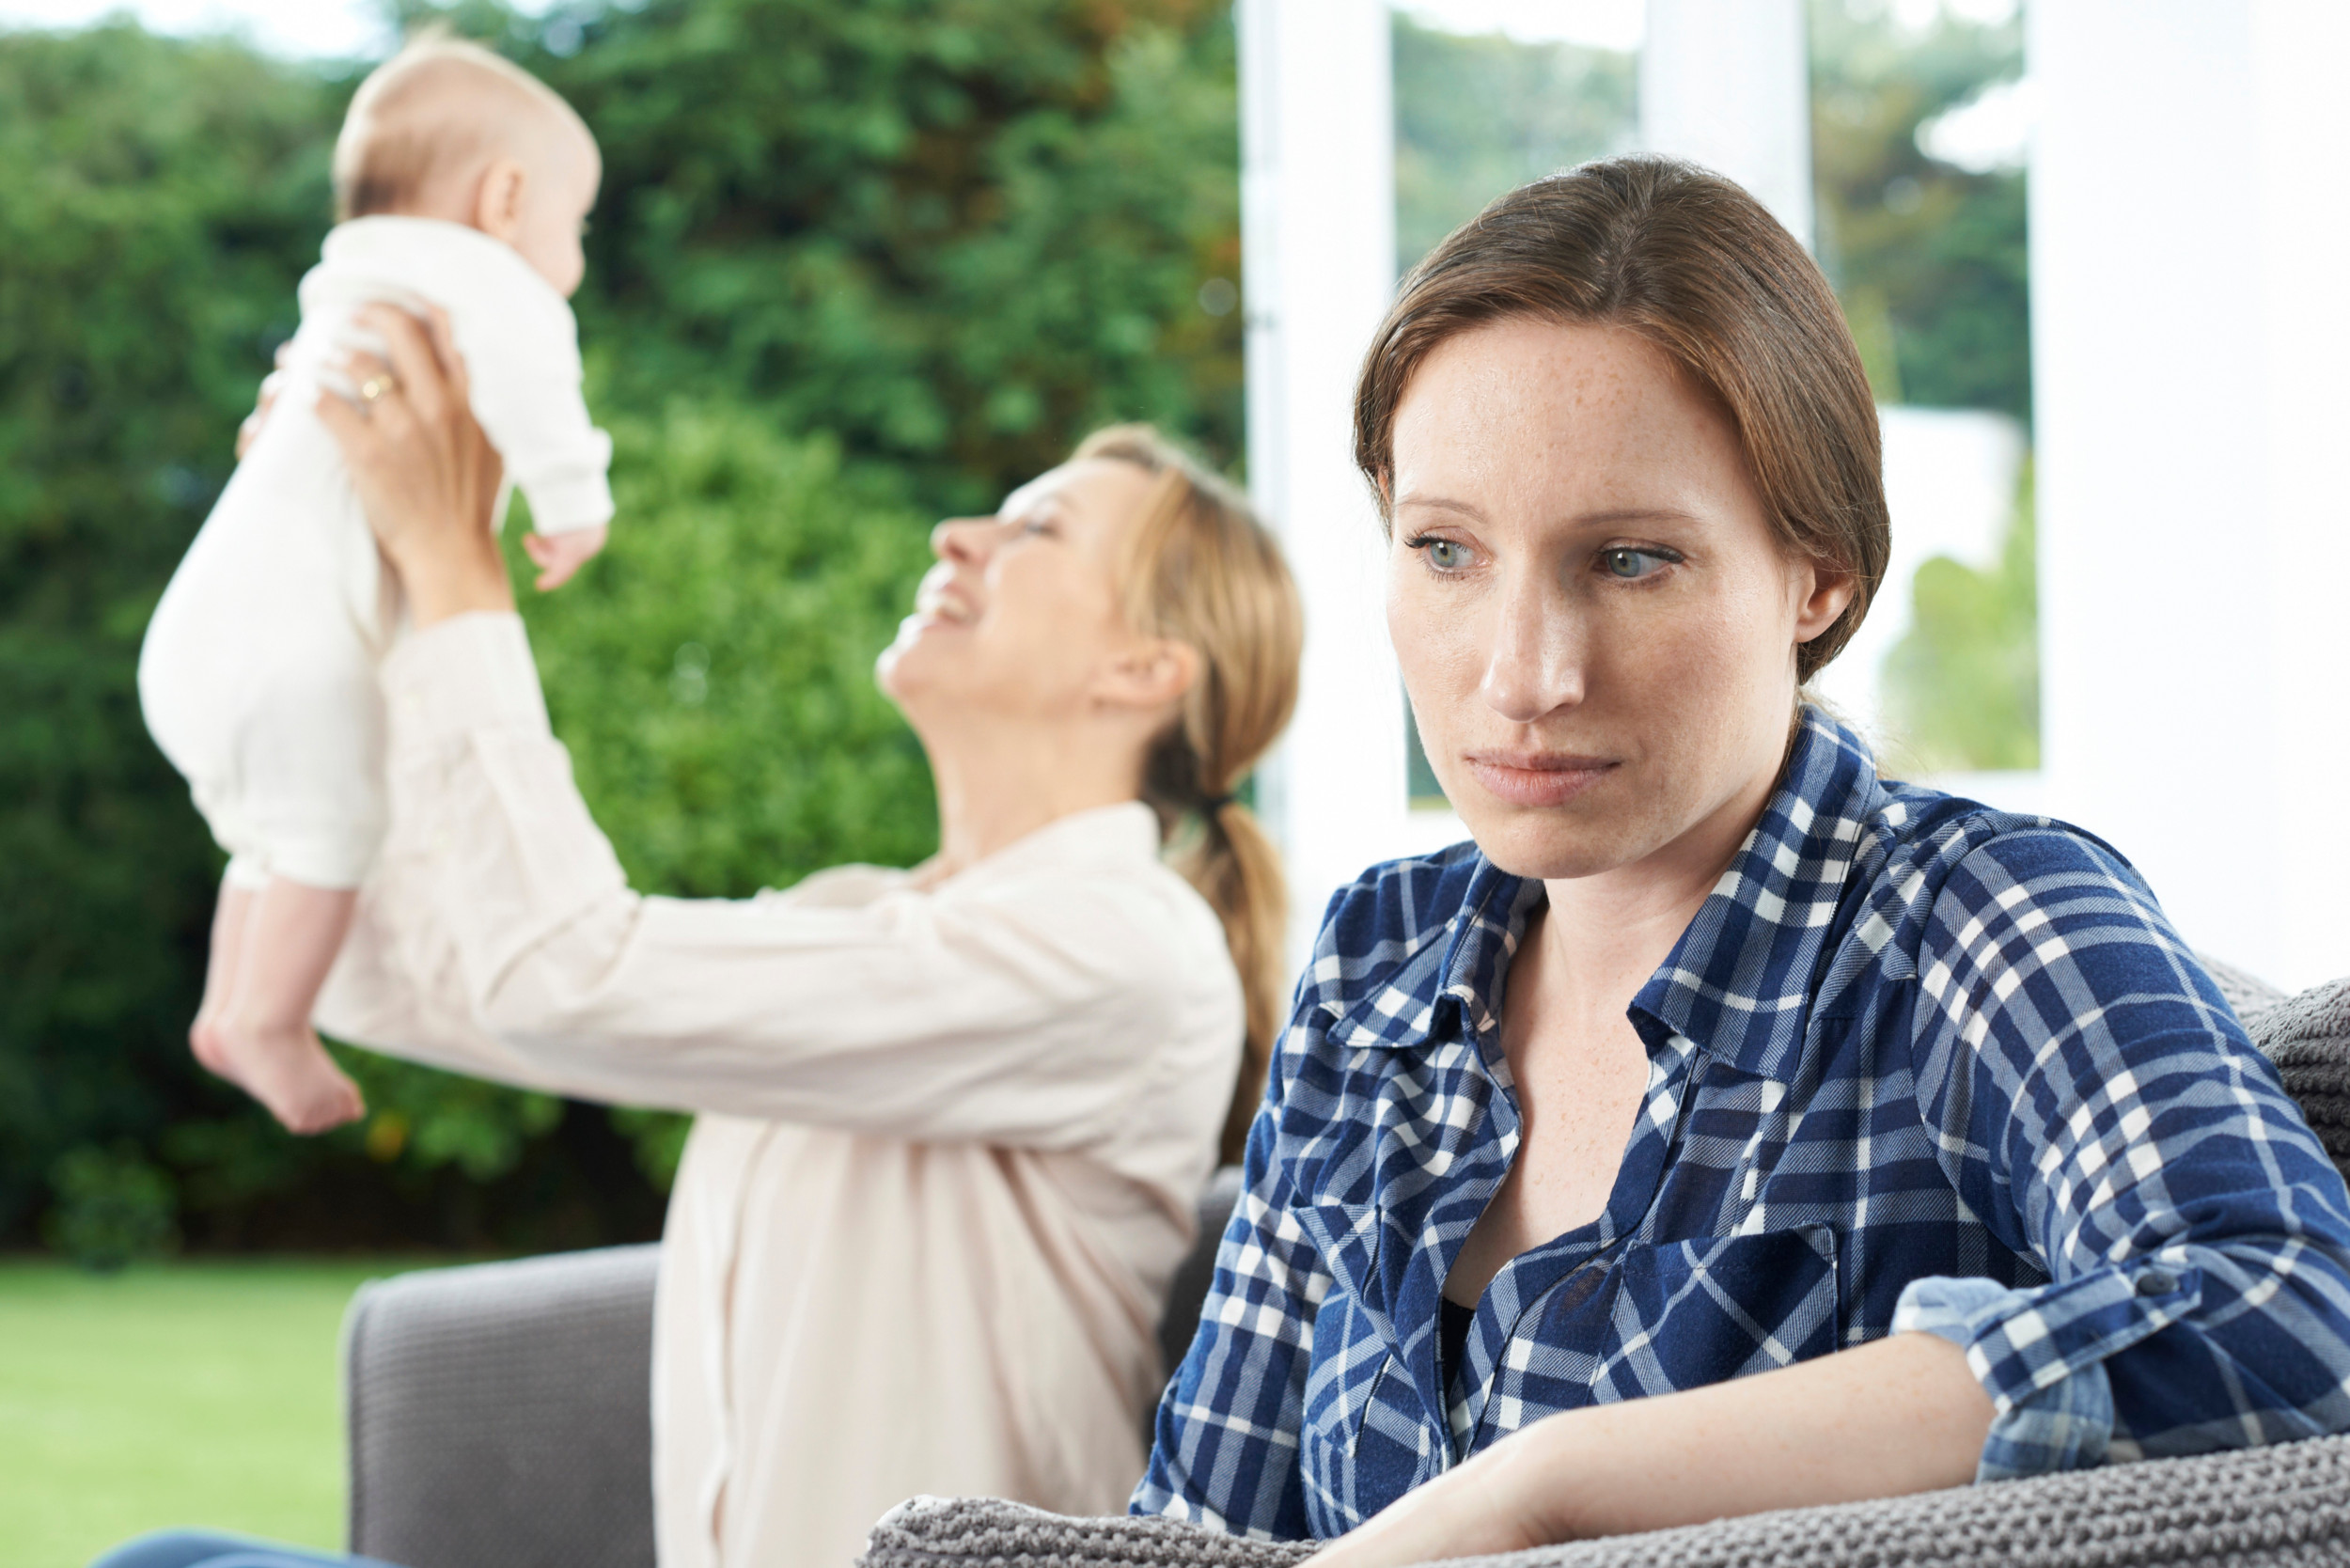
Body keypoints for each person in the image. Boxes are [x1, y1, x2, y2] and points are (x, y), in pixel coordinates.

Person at [1134, 156, 2350, 1563]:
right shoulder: (1376, 969)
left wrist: (1557, 1483)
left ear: (1817, 576)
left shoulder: (1975, 918)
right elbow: (1194, 1531)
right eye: (1448, 552)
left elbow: (2293, 1314)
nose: (1524, 676)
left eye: (1632, 560)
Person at [101, 308, 1300, 1568]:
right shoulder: (849, 913)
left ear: (1147, 671)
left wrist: (456, 566)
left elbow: (561, 974)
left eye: (1037, 526)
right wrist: (315, 580)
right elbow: (392, 972)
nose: (958, 534)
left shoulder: (1125, 953)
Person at [137, 35, 611, 1137]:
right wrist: (576, 499)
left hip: (199, 636)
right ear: (505, 198)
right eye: (573, 225)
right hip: (293, 664)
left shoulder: (346, 289)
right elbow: (542, 391)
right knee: (333, 829)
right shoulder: (493, 285)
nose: (570, 257)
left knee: (277, 838)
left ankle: (230, 1010)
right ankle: (263, 1019)